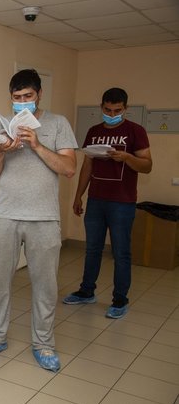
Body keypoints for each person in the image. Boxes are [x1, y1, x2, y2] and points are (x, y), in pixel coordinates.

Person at [0, 69, 77, 372]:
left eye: (27, 96)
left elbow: (69, 168)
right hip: (4, 214)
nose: (22, 102)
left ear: (39, 95)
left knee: (45, 286)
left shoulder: (58, 123)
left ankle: (43, 344)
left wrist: (37, 145)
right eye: (17, 98)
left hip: (44, 218)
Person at [63, 88, 152, 319]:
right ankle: (86, 291)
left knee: (121, 252)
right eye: (107, 110)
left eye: (117, 110)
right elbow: (87, 165)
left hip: (122, 202)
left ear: (126, 108)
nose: (112, 114)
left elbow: (147, 165)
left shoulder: (135, 131)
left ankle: (120, 300)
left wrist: (127, 157)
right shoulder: (94, 131)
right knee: (92, 249)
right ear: (101, 107)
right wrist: (78, 195)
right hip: (96, 200)